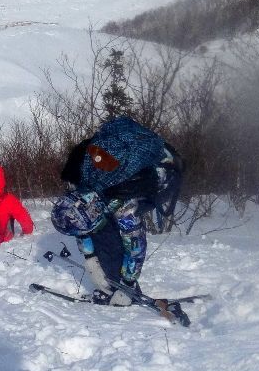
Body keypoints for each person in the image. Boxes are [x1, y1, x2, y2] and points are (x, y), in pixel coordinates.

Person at [51, 116, 182, 306]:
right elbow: (81, 226)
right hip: (117, 159)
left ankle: (123, 288)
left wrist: (127, 283)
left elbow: (135, 247)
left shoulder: (125, 204)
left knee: (110, 234)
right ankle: (111, 275)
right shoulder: (78, 184)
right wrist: (90, 258)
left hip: (163, 172)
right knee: (100, 232)